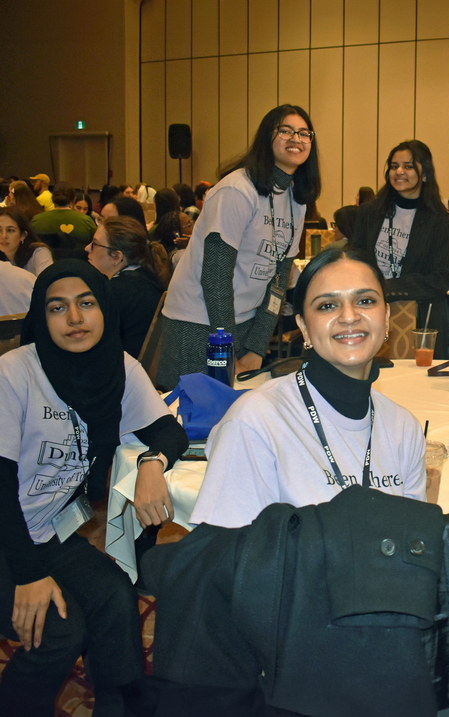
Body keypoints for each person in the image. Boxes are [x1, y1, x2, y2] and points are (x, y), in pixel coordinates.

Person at [0, 260, 188, 715]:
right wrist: (26, 575)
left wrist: (150, 462)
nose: (75, 318)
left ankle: (118, 703)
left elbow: (169, 430)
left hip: (50, 531)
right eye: (57, 308)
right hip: (8, 537)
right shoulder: (15, 372)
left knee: (113, 595)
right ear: (41, 318)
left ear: (104, 308)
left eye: (86, 303)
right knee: (60, 631)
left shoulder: (117, 368)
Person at [189, 248, 427, 529]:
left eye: (365, 301)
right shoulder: (255, 421)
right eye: (327, 305)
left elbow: (415, 547)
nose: (349, 316)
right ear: (302, 326)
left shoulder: (403, 428)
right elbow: (226, 556)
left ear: (386, 317)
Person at [158, 104, 320, 387]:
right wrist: (226, 346)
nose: (296, 138)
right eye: (286, 131)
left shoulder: (296, 199)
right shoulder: (237, 189)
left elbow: (279, 279)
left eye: (304, 133)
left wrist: (257, 345)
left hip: (244, 322)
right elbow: (216, 276)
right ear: (266, 138)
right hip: (199, 323)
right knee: (195, 418)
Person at [350, 139, 449, 356]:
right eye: (394, 166)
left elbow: (441, 277)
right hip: (367, 312)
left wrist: (389, 287)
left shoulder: (440, 221)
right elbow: (355, 258)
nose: (399, 171)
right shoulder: (369, 213)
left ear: (425, 174)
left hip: (420, 317)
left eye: (408, 166)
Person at [86, 216, 169, 358]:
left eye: (95, 244)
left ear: (117, 256)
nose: (87, 248)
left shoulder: (117, 290)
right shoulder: (147, 278)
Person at [30, 182, 97, 248]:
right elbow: (96, 243)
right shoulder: (87, 222)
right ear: (74, 200)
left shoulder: (37, 220)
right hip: (80, 258)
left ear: (52, 199)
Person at [0, 207, 53, 277]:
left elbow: (45, 285)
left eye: (10, 230)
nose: (3, 236)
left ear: (23, 235)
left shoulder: (39, 253)